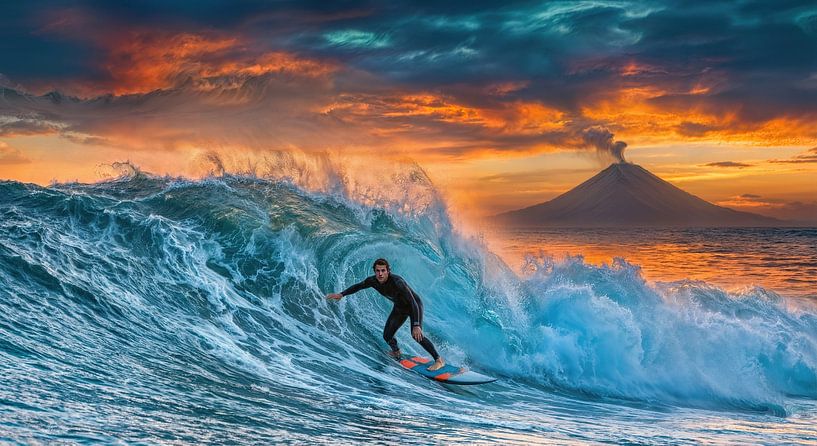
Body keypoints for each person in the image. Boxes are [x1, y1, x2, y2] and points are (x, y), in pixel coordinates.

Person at [326, 258, 446, 371]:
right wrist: (341, 294)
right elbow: (359, 286)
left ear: (388, 271)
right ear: (374, 271)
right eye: (377, 271)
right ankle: (396, 351)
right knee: (387, 335)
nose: (380, 274)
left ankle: (438, 360)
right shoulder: (372, 281)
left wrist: (416, 325)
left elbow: (413, 301)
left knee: (416, 335)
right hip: (399, 308)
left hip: (414, 306)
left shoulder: (398, 282)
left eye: (383, 270)